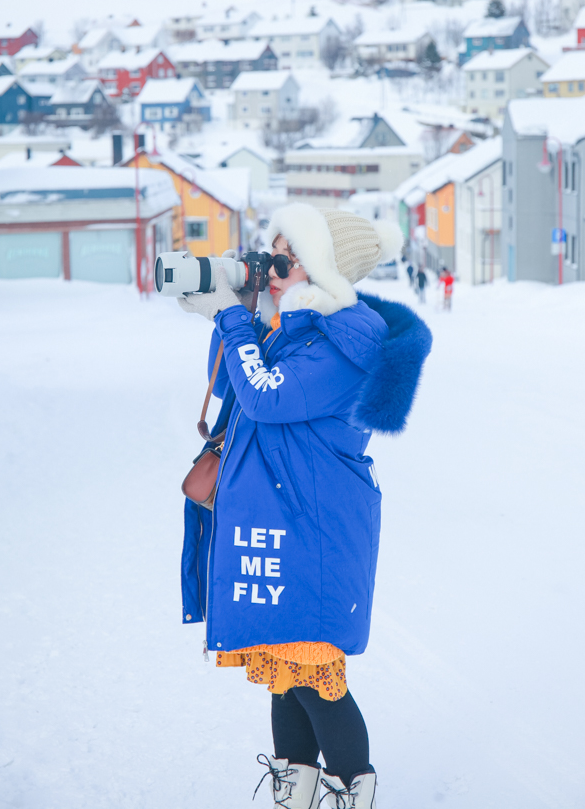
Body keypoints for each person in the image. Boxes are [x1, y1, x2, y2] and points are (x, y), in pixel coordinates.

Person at [177, 205, 432, 809]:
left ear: (323, 269)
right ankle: (296, 787)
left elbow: (266, 397)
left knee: (316, 677)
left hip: (314, 529)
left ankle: (351, 790)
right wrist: (225, 314)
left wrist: (235, 320)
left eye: (285, 260)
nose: (270, 268)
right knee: (285, 674)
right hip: (284, 519)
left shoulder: (350, 341)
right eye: (272, 254)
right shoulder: (298, 326)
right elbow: (237, 383)